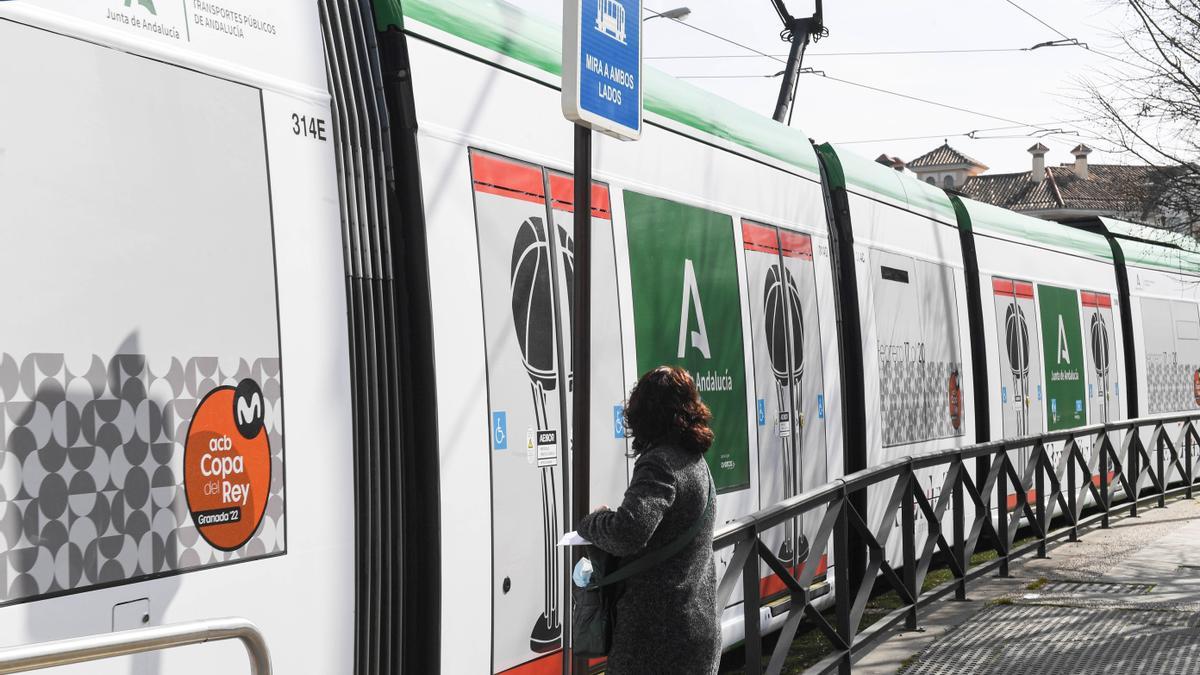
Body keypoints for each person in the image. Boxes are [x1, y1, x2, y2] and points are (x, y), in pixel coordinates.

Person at [577, 365, 720, 675]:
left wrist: (592, 522)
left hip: (657, 639)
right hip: (696, 625)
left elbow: (628, 531)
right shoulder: (695, 460)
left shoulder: (660, 463)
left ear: (642, 415)